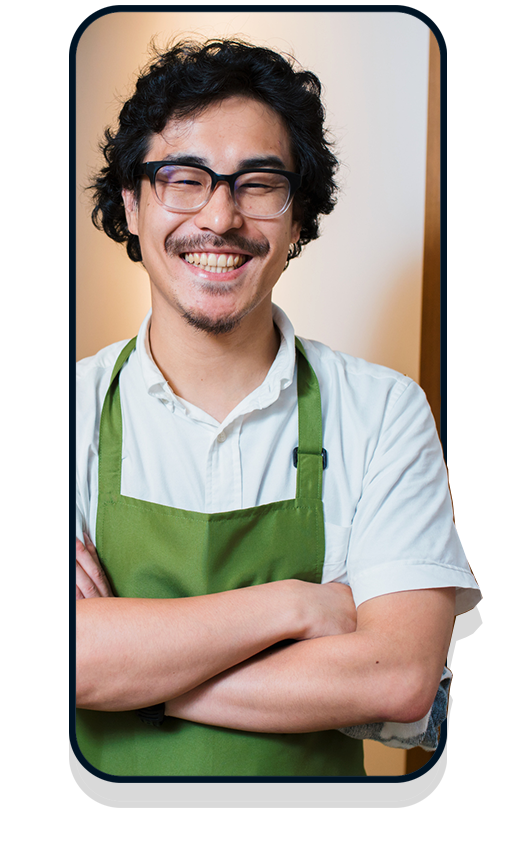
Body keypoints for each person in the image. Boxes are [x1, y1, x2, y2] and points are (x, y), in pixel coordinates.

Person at [75, 38, 481, 777]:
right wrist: (298, 607)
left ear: (298, 219)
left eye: (258, 184)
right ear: (131, 205)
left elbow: (395, 680)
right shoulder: (56, 415)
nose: (221, 218)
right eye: (183, 179)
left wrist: (124, 674)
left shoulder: (382, 412)